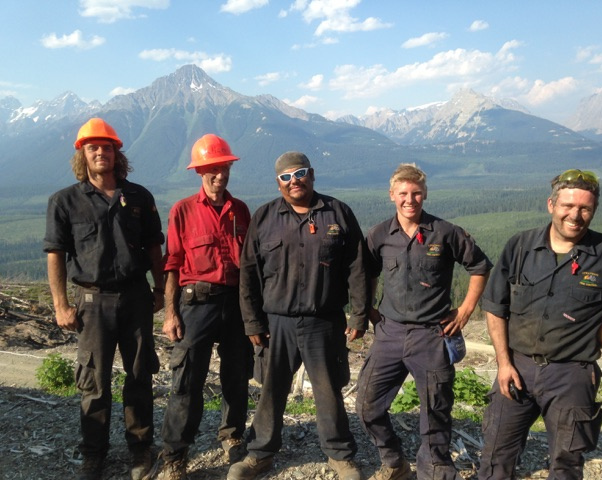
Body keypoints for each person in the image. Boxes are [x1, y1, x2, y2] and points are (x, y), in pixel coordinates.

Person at [478, 169, 602, 480]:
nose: (575, 215)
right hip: (516, 368)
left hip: (572, 375)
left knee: (565, 465)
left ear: (593, 210)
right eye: (568, 206)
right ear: (551, 205)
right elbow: (495, 306)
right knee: (495, 457)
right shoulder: (520, 246)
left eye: (585, 208)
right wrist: (503, 363)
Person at [227, 152, 369, 480]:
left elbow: (357, 267)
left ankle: (340, 455)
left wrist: (358, 315)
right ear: (278, 183)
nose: (295, 181)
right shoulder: (264, 218)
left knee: (328, 390)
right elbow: (248, 274)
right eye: (286, 177)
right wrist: (251, 321)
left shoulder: (338, 213)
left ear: (312, 174)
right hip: (276, 323)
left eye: (300, 173)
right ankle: (260, 453)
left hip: (325, 321)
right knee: (271, 390)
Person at [43, 118, 165, 480]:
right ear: (83, 154)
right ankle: (94, 454)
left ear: (116, 153)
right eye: (93, 147)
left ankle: (140, 450)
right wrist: (60, 304)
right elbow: (55, 254)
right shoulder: (64, 201)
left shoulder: (139, 196)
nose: (100, 152)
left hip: (136, 297)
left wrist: (160, 289)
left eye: (107, 147)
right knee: (93, 382)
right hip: (91, 302)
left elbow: (154, 246)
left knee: (140, 375)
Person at [356, 163, 492, 480]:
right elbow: (367, 272)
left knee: (435, 409)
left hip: (433, 334)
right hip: (389, 333)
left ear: (425, 194)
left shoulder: (445, 233)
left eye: (416, 193)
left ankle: (435, 466)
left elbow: (480, 266)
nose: (410, 199)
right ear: (392, 195)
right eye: (403, 193)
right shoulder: (378, 235)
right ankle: (394, 461)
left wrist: (465, 310)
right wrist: (369, 309)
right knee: (366, 406)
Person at [152, 134, 253, 480]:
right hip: (196, 303)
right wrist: (170, 312)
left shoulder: (240, 210)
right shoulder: (182, 210)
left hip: (236, 303)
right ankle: (175, 455)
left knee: (237, 376)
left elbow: (250, 265)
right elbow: (172, 264)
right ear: (199, 172)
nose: (219, 175)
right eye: (211, 169)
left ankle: (232, 436)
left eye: (223, 167)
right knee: (187, 381)